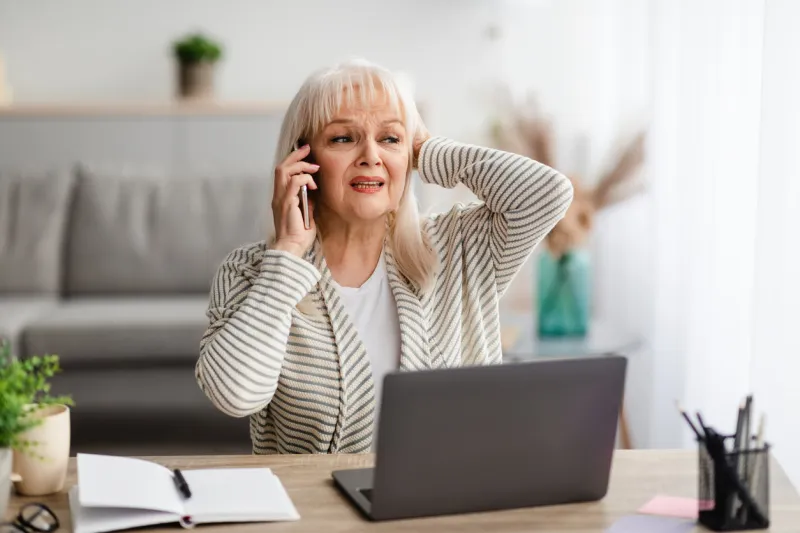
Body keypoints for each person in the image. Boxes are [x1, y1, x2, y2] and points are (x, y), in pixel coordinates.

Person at [195, 59, 573, 454]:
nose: (371, 156)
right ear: (303, 162)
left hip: (446, 507)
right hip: (314, 513)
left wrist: (426, 148)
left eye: (389, 140)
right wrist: (288, 254)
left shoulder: (460, 245)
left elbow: (548, 194)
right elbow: (234, 395)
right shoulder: (252, 271)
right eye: (343, 138)